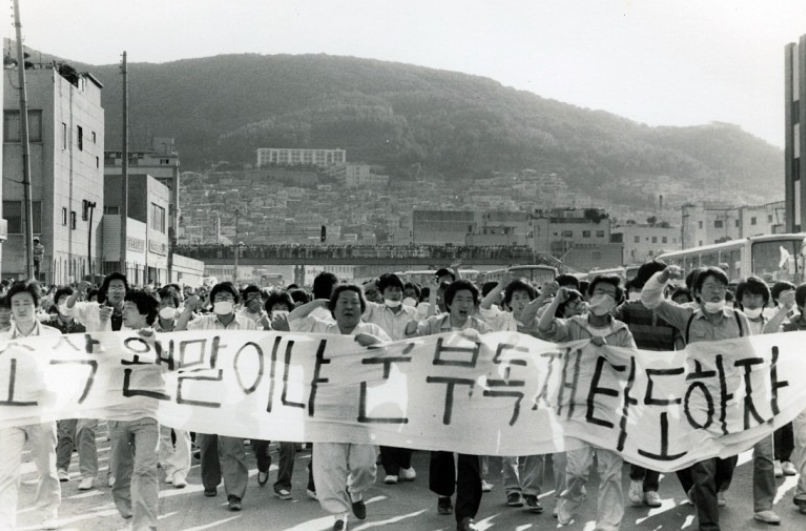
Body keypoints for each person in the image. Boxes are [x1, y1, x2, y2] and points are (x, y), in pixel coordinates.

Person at [641, 265, 780, 529]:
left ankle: (703, 492)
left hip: (731, 404)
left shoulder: (738, 319)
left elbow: (748, 354)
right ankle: (708, 525)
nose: (716, 292)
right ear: (697, 292)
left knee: (726, 463)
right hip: (698, 403)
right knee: (704, 467)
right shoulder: (687, 317)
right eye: (710, 287)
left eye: (721, 287)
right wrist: (663, 277)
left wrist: (766, 367)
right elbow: (651, 299)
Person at [289, 285, 390, 531]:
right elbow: (294, 319)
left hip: (362, 410)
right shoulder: (321, 330)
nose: (349, 307)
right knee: (329, 466)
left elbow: (393, 355)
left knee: (364, 465)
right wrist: (317, 303)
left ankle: (356, 491)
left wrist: (374, 343)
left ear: (362, 308)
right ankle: (338, 514)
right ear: (333, 309)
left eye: (354, 302)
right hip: (326, 410)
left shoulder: (372, 330)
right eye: (343, 302)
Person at [537, 275, 634, 530]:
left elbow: (631, 367)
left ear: (617, 302)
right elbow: (544, 328)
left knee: (611, 470)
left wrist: (609, 351)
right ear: (588, 296)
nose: (603, 297)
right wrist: (557, 299)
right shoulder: (573, 325)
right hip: (576, 407)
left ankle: (608, 523)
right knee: (577, 469)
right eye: (598, 292)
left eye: (610, 294)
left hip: (609, 409)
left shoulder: (621, 331)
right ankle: (571, 498)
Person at [406, 279, 491, 531]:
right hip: (438, 395)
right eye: (459, 300)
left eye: (469, 300)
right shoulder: (433, 325)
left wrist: (482, 346)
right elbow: (411, 342)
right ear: (449, 303)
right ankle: (444, 492)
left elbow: (494, 359)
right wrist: (415, 321)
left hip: (470, 397)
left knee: (470, 456)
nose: (464, 304)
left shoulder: (482, 329)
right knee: (442, 451)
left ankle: (466, 516)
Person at [175, 281, 254, 511]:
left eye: (227, 296)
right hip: (206, 391)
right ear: (212, 301)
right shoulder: (203, 322)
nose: (222, 301)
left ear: (235, 301)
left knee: (233, 445)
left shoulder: (247, 324)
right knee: (207, 443)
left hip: (235, 393)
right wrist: (189, 309)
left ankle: (235, 493)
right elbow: (178, 334)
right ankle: (210, 481)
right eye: (217, 297)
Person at [615, 262, 680, 509]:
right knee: (639, 431)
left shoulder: (672, 311)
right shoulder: (628, 309)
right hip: (634, 379)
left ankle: (652, 486)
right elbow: (607, 325)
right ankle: (635, 478)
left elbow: (680, 344)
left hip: (663, 379)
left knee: (659, 432)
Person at [0, 282, 62, 530]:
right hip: (8, 413)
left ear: (37, 306)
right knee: (6, 472)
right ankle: (5, 520)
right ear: (10, 310)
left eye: (27, 303)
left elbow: (67, 371)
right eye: (16, 304)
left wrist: (55, 392)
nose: (22, 308)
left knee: (46, 468)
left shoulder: (53, 336)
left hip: (41, 411)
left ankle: (49, 512)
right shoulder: (2, 340)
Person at [61, 273, 130, 490]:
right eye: (113, 287)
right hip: (93, 373)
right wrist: (77, 292)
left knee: (116, 428)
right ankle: (88, 473)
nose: (117, 291)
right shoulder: (92, 308)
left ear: (125, 290)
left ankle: (114, 472)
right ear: (106, 290)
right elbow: (66, 309)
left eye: (121, 287)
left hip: (120, 375)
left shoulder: (132, 311)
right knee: (85, 426)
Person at [108, 289, 163, 531]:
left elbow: (175, 366)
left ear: (144, 313)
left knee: (145, 469)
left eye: (129, 307)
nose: (123, 311)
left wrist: (154, 347)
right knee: (120, 472)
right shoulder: (115, 338)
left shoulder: (159, 339)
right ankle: (129, 513)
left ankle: (146, 522)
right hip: (120, 415)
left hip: (148, 416)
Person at [362, 273, 417, 485]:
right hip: (380, 371)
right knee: (385, 418)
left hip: (406, 371)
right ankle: (391, 468)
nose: (395, 293)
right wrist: (373, 282)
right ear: (381, 292)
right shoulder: (373, 311)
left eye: (398, 289)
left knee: (405, 419)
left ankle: (406, 463)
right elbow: (356, 296)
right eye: (390, 289)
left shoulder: (412, 312)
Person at [153, 286, 190, 489]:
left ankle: (180, 471)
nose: (166, 307)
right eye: (162, 303)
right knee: (164, 430)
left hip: (181, 384)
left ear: (177, 308)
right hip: (158, 383)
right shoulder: (150, 330)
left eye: (170, 304)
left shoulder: (187, 328)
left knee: (181, 429)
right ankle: (168, 467)